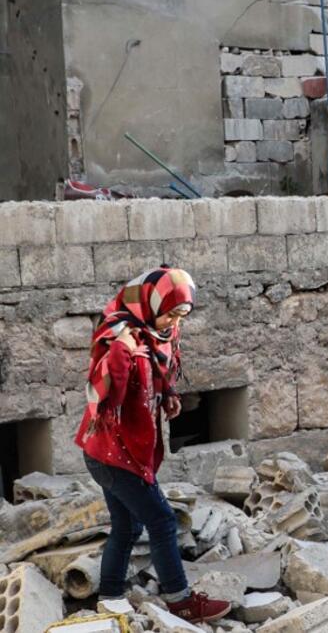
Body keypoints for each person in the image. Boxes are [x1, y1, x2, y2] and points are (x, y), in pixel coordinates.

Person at [75, 266, 232, 623]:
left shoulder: (156, 333)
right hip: (113, 453)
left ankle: (111, 597)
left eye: (182, 314)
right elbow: (106, 392)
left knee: (128, 526)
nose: (175, 321)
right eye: (171, 312)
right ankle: (182, 602)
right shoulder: (121, 336)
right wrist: (122, 351)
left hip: (121, 449)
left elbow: (156, 373)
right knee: (162, 521)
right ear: (149, 303)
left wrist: (167, 394)